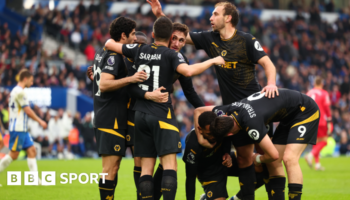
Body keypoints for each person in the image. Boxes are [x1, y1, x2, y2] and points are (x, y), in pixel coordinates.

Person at [147, 1, 278, 199]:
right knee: (243, 159)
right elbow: (179, 36)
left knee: (270, 161)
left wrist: (271, 83)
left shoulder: (246, 40)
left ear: (228, 18)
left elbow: (268, 63)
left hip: (255, 107)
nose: (210, 18)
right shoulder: (210, 38)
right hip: (233, 113)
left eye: (215, 14)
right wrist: (160, 15)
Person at [104, 16, 225, 200]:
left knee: (145, 167)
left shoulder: (139, 49)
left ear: (153, 34)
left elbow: (109, 44)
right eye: (174, 38)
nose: (177, 43)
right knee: (170, 165)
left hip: (138, 115)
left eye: (181, 40)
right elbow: (189, 72)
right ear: (169, 37)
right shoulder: (173, 56)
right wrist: (213, 61)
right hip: (160, 113)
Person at [195, 88, 320, 200]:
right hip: (289, 115)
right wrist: (201, 139)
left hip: (305, 110)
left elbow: (274, 154)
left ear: (229, 135)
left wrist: (258, 159)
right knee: (273, 163)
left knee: (289, 158)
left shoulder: (252, 125)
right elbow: (198, 111)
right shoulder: (229, 109)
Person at [91, 17, 153, 200]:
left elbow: (100, 81)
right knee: (109, 168)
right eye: (133, 34)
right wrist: (131, 79)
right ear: (123, 35)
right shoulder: (114, 56)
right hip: (110, 117)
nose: (135, 38)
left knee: (113, 167)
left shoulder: (101, 53)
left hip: (108, 115)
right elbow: (104, 84)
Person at [0, 69, 47, 185]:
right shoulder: (20, 92)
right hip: (18, 128)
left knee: (32, 150)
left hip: (22, 128)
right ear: (25, 79)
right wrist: (40, 121)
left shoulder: (15, 91)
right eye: (31, 81)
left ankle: (36, 180)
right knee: (13, 155)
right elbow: (28, 111)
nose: (32, 83)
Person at [305, 76, 332, 171]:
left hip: (310, 121)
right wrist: (329, 121)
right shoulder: (324, 93)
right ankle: (310, 155)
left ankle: (317, 164)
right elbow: (327, 108)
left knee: (316, 142)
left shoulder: (308, 93)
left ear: (313, 84)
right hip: (321, 121)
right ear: (322, 84)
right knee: (324, 141)